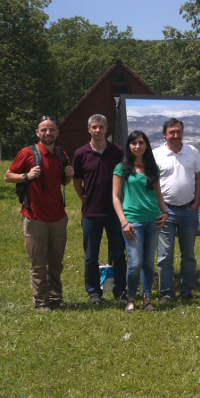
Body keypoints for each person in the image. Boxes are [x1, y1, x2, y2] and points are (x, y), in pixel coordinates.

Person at [4, 116, 74, 311]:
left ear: (57, 133)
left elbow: (61, 183)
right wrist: (26, 176)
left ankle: (56, 298)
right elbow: (8, 176)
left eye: (52, 130)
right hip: (34, 217)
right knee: (38, 264)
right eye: (44, 130)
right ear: (37, 133)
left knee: (56, 262)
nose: (48, 133)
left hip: (58, 217)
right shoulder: (27, 153)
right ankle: (41, 302)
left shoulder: (61, 154)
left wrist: (68, 177)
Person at [72, 114, 127, 306]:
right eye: (94, 127)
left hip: (115, 213)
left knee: (119, 254)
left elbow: (125, 179)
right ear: (89, 129)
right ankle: (94, 293)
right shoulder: (81, 153)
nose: (98, 130)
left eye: (101, 127)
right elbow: (77, 182)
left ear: (106, 129)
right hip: (91, 213)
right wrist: (85, 198)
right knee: (90, 256)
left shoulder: (117, 151)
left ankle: (120, 291)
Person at [113, 131, 169, 312]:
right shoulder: (122, 168)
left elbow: (158, 194)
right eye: (133, 143)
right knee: (135, 263)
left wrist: (165, 213)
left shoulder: (153, 168)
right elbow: (115, 197)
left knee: (148, 263)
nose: (137, 146)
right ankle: (131, 298)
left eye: (141, 142)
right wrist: (123, 222)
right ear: (129, 146)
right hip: (133, 222)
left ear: (146, 145)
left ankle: (147, 299)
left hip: (153, 221)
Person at [154, 118, 200, 302]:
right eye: (171, 132)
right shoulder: (156, 154)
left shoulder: (192, 151)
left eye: (178, 131)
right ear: (164, 134)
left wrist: (197, 203)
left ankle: (187, 290)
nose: (175, 135)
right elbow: (153, 183)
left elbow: (199, 179)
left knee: (188, 254)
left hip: (189, 210)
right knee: (165, 255)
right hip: (165, 212)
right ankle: (167, 292)